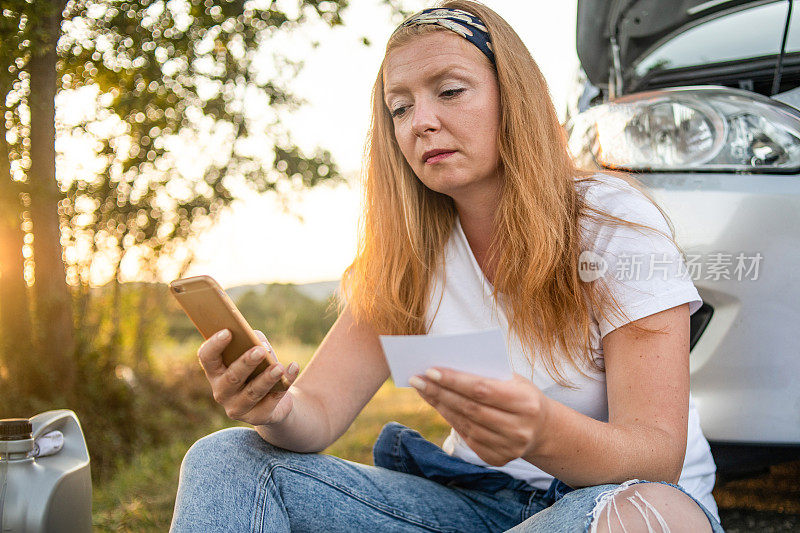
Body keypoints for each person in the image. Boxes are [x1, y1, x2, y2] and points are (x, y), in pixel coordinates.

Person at [170, 2, 726, 532]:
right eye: (400, 107)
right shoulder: (405, 256)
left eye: (451, 91)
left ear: (514, 97)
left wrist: (542, 430)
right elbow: (315, 411)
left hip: (609, 503)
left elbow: (656, 458)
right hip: (470, 504)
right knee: (228, 457)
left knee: (649, 517)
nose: (422, 122)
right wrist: (274, 408)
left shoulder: (612, 222)